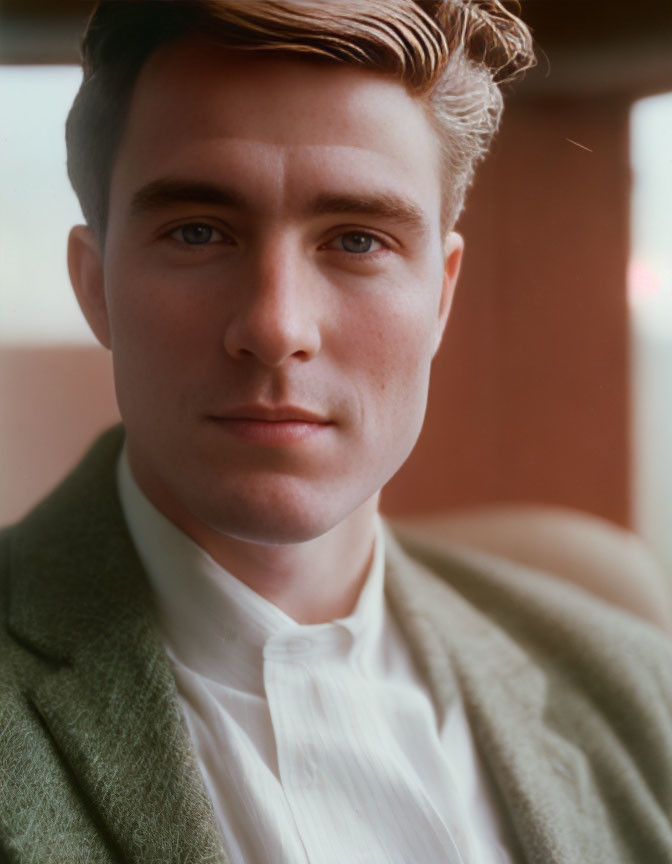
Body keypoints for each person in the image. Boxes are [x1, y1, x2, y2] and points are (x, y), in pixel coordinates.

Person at [1, 1, 671, 862]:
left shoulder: (629, 683)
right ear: (96, 287)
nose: (277, 326)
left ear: (441, 295)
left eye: (357, 239)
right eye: (199, 232)